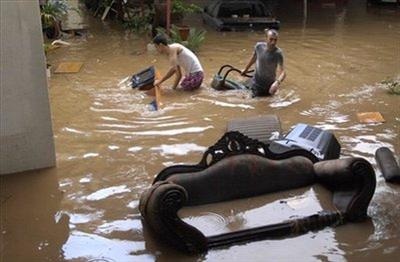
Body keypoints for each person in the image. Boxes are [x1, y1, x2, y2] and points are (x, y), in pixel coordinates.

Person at [242, 29, 286, 96]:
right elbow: (254, 58)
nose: (273, 42)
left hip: (268, 85)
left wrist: (277, 83)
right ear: (266, 39)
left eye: (275, 40)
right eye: (271, 39)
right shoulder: (259, 46)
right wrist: (245, 70)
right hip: (255, 81)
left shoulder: (278, 53)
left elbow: (283, 73)